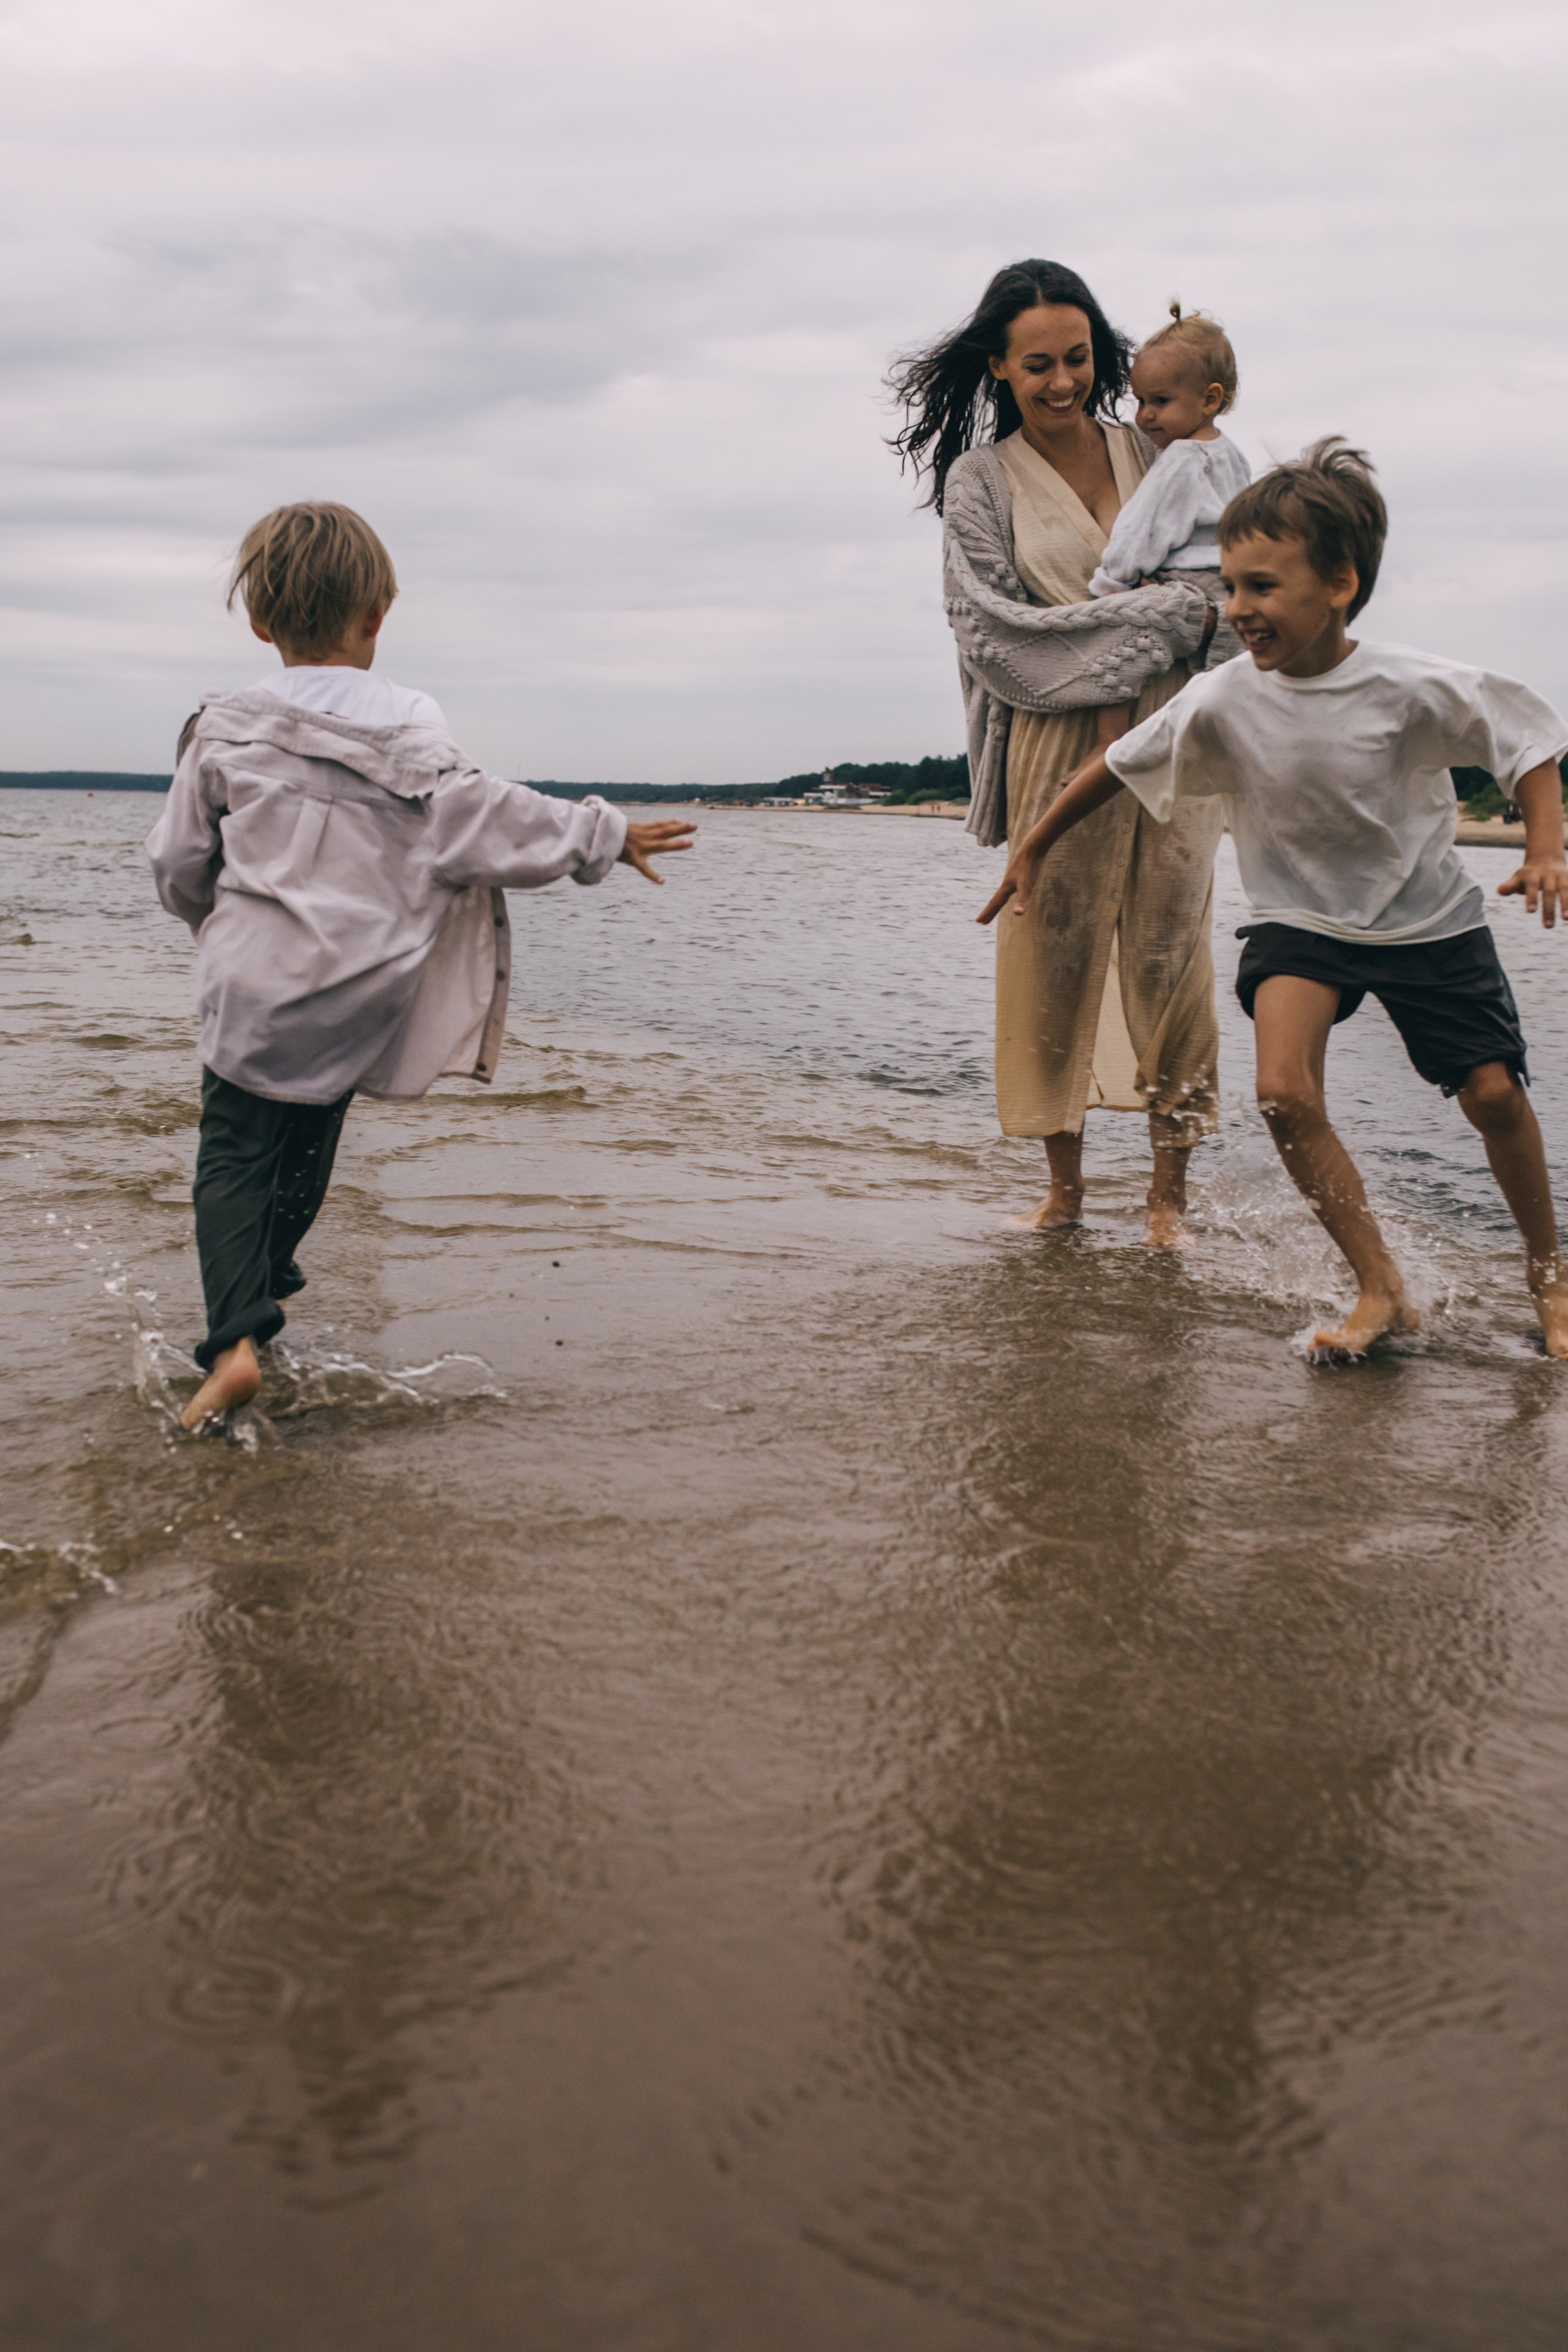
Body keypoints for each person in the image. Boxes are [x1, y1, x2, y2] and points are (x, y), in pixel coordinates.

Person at [979, 439, 1568, 1360]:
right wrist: (1033, 848)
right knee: (1285, 1095)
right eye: (1231, 587)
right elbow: (1115, 764)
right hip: (1299, 922)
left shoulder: (1411, 684)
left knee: (1493, 1097)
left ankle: (1549, 1275)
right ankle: (1379, 1286)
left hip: (1426, 920)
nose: (1237, 610)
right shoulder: (1222, 698)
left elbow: (1528, 740)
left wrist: (1545, 848)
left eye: (1261, 587)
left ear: (1339, 582)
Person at [148, 500, 695, 1430]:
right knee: (309, 1139)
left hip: (250, 985)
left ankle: (235, 1341)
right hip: (358, 992)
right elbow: (486, 814)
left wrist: (215, 927)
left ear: (260, 622)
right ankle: (269, 1277)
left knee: (233, 1157)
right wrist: (602, 831)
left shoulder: (224, 725)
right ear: (378, 615)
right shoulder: (411, 726)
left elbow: (178, 862)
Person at [889, 260, 1232, 1248]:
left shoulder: (1160, 450)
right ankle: (1066, 1194)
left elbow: (1226, 590)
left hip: (1176, 740)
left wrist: (1156, 626)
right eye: (1037, 363)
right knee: (1052, 950)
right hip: (1050, 742)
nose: (1062, 382)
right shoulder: (979, 482)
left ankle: (1169, 1202)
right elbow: (995, 636)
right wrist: (1156, 623)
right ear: (998, 366)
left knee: (1175, 954)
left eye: (1079, 358)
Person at [1087, 303, 1250, 757]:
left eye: (1160, 402)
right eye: (1140, 401)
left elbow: (1143, 530)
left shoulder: (1180, 460)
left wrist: (1110, 586)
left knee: (1120, 643)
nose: (1145, 417)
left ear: (1210, 400)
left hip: (1189, 582)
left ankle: (1108, 744)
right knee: (1215, 684)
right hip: (1227, 586)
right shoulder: (1232, 455)